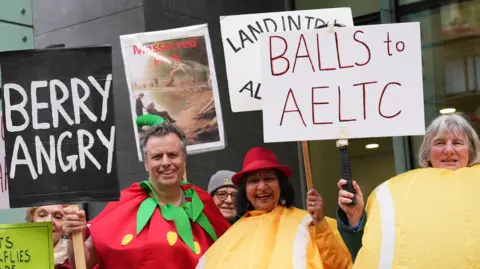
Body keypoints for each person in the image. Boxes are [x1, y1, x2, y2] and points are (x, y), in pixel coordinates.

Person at [62, 123, 230, 269]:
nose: (165, 163)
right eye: (157, 157)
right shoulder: (123, 204)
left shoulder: (203, 203)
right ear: (146, 163)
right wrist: (72, 237)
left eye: (172, 155)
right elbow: (83, 263)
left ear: (184, 159)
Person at [337, 114, 480, 267]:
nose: (449, 150)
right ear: (427, 153)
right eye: (440, 143)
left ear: (470, 151)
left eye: (457, 143)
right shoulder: (399, 193)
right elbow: (369, 254)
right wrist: (355, 217)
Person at [196, 147, 352, 269]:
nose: (262, 186)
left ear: (280, 184)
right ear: (245, 190)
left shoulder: (310, 223)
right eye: (254, 180)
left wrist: (319, 222)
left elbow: (340, 265)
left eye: (269, 178)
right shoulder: (229, 237)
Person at [26, 204, 71, 269]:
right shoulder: (17, 255)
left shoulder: (77, 255)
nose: (49, 221)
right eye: (42, 215)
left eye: (57, 217)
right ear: (31, 222)